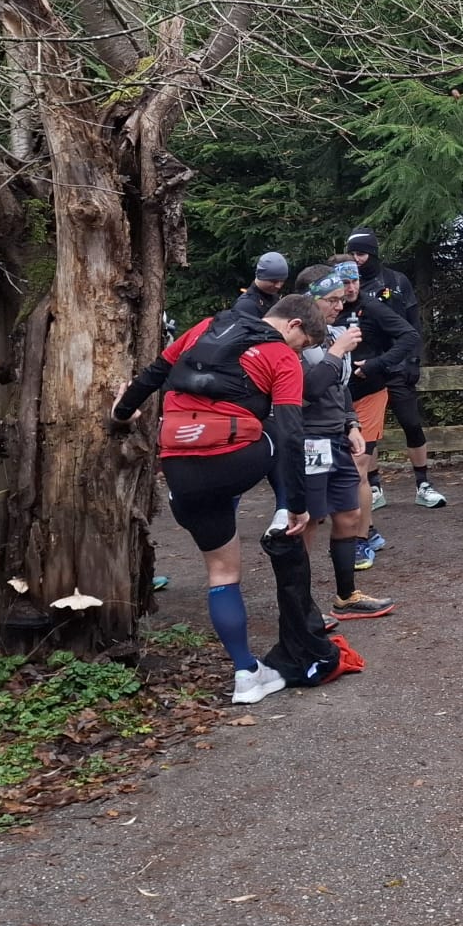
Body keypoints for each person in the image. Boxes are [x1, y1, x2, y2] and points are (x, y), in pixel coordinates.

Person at [110, 294, 328, 705]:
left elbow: (154, 374)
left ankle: (246, 673)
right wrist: (299, 505)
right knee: (273, 429)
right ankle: (283, 512)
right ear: (295, 325)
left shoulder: (203, 328)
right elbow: (291, 434)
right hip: (234, 461)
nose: (299, 354)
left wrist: (121, 413)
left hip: (181, 469)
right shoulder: (281, 356)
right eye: (303, 346)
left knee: (222, 573)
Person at [293, 263, 392, 619]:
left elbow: (340, 388)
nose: (340, 305)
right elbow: (310, 388)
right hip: (309, 439)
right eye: (332, 300)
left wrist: (351, 424)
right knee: (308, 520)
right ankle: (301, 607)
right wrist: (337, 352)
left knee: (349, 514)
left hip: (337, 436)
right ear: (310, 300)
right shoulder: (293, 340)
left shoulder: (334, 337)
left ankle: (346, 596)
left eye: (341, 299)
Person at [345, 229, 445, 510]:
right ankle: (374, 486)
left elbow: (413, 323)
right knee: (367, 433)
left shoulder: (396, 281)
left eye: (361, 253)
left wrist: (414, 360)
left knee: (411, 423)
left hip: (397, 365)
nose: (357, 259)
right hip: (365, 369)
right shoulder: (347, 289)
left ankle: (423, 483)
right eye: (352, 254)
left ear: (373, 254)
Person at [332, 257, 418, 565]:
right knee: (336, 469)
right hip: (332, 400)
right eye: (345, 282)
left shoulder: (371, 307)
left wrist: (377, 364)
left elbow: (409, 336)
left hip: (368, 394)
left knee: (357, 469)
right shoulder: (321, 311)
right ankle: (367, 527)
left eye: (355, 280)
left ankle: (359, 541)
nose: (351, 287)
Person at [232, 252, 289, 319]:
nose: (278, 286)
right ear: (260, 277)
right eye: (273, 281)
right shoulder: (245, 306)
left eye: (282, 280)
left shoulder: (275, 298)